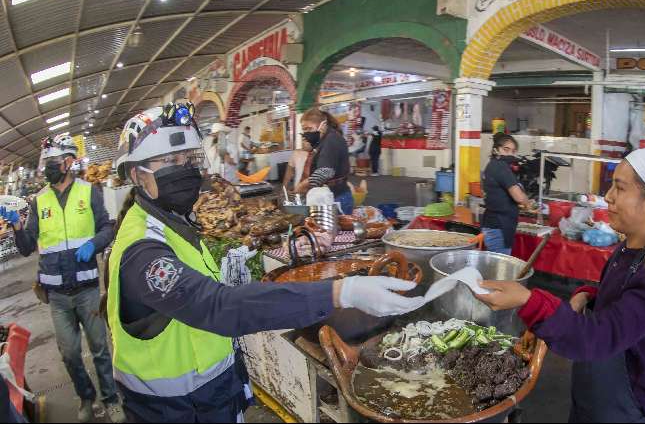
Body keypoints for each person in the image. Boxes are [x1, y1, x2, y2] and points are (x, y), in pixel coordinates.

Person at [107, 103, 424, 422]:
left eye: (190, 159)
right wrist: (341, 293)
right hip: (174, 410)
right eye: (171, 161)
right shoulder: (143, 250)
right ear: (136, 174)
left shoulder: (176, 223)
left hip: (210, 398)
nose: (186, 169)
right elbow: (216, 307)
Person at [475, 148, 645, 423]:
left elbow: (599, 337)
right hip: (591, 398)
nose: (608, 196)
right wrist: (587, 296)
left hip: (621, 411)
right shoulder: (628, 250)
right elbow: (621, 301)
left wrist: (529, 300)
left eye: (620, 187)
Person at [0, 134, 125, 423]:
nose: (48, 168)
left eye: (53, 162)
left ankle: (110, 398)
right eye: (47, 163)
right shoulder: (39, 200)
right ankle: (86, 398)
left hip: (87, 290)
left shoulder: (89, 191)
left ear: (68, 162)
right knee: (69, 353)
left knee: (100, 348)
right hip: (56, 294)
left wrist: (94, 244)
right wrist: (18, 225)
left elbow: (108, 227)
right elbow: (27, 246)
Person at [294, 108, 354, 214]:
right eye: (304, 130)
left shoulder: (331, 140)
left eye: (309, 129)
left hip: (336, 198)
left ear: (323, 125)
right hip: (333, 195)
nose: (306, 133)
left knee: (333, 230)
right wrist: (312, 148)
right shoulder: (326, 139)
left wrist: (302, 185)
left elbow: (325, 172)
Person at [480, 133, 533, 255]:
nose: (509, 154)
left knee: (494, 266)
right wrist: (528, 203)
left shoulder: (491, 165)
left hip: (492, 224)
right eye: (506, 149)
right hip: (499, 227)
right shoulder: (501, 167)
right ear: (496, 149)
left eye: (513, 151)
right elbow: (519, 197)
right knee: (499, 270)